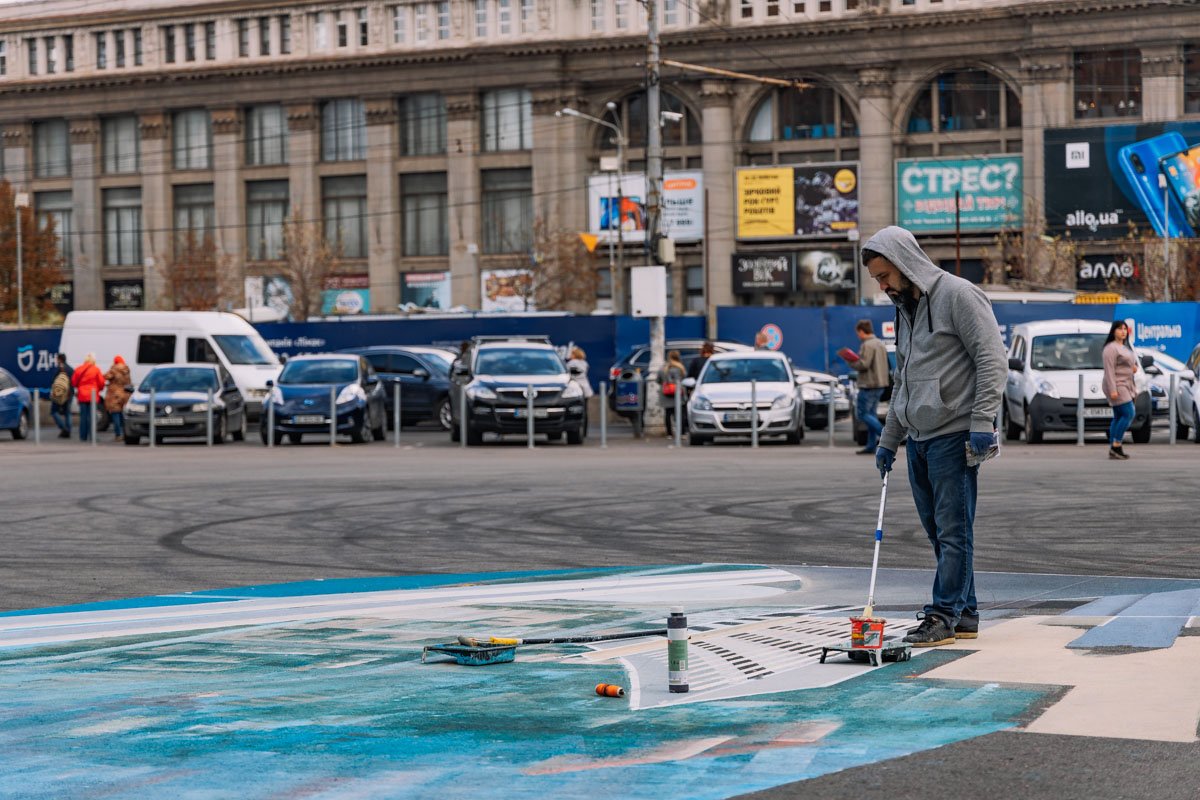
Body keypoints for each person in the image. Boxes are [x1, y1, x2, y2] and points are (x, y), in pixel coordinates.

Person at [863, 226, 1006, 648]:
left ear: (906, 264)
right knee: (940, 531)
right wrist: (889, 438)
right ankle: (966, 613)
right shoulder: (904, 309)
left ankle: (943, 614)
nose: (883, 286)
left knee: (953, 531)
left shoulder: (959, 295)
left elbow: (991, 358)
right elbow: (903, 378)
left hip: (955, 434)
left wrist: (982, 420)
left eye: (885, 276)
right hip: (919, 439)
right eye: (877, 279)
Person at [840, 320, 890, 455]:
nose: (858, 336)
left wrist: (850, 361)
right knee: (872, 414)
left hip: (868, 384)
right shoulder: (880, 343)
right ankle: (871, 445)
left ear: (862, 331)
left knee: (862, 414)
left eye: (858, 333)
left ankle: (886, 437)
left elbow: (863, 364)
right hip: (880, 384)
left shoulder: (867, 345)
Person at [1102, 320, 1138, 460]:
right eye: (1119, 329)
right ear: (1113, 331)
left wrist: (1133, 368)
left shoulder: (1125, 347)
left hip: (1126, 383)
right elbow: (1109, 370)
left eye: (1124, 329)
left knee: (1118, 416)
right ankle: (1117, 445)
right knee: (1129, 413)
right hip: (1117, 384)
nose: (1123, 331)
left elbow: (1130, 364)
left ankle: (1113, 447)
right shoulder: (1110, 348)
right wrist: (1113, 390)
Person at [71, 353, 106, 442]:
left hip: (82, 395)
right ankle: (92, 436)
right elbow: (101, 382)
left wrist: (81, 387)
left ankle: (83, 436)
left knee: (83, 416)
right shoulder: (96, 369)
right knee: (92, 416)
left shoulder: (79, 369)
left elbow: (73, 382)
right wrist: (99, 389)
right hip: (92, 396)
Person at [104, 355, 132, 440]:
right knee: (122, 414)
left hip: (115, 394)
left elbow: (106, 376)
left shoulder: (114, 369)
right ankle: (125, 433)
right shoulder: (126, 370)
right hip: (125, 394)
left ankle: (118, 434)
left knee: (115, 413)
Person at [660, 349, 688, 437]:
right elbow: (684, 379)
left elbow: (658, 380)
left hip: (666, 394)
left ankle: (669, 433)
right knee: (681, 414)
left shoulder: (663, 368)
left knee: (668, 414)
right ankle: (682, 433)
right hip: (678, 393)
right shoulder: (680, 368)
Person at [49, 354, 74, 439]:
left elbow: (54, 382)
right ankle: (68, 431)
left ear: (59, 359)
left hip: (59, 395)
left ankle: (64, 428)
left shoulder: (59, 369)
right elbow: (74, 382)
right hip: (69, 394)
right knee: (67, 413)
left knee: (53, 411)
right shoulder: (71, 369)